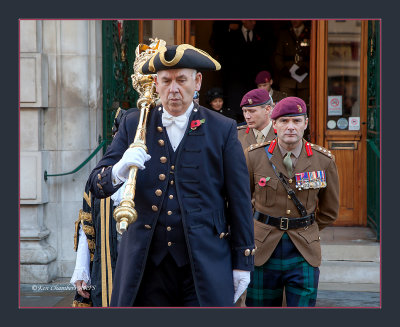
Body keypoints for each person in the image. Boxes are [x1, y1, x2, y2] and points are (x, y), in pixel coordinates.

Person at [88, 44, 255, 307]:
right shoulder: (135, 123)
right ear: (155, 83)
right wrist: (119, 169)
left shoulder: (222, 129)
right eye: (165, 81)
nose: (173, 89)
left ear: (197, 81)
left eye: (181, 80)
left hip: (203, 263)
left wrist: (243, 261)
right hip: (146, 265)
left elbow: (239, 201)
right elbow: (96, 184)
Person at [243, 97, 340, 307]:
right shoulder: (254, 157)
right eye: (284, 121)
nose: (290, 127)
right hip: (262, 247)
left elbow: (330, 211)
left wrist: (306, 228)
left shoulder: (323, 160)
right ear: (274, 124)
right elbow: (240, 202)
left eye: (296, 121)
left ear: (305, 124)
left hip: (303, 248)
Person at [70, 108, 136, 307]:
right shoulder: (100, 179)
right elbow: (87, 229)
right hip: (105, 271)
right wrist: (81, 271)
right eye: (118, 134)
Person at [274, 21, 311, 105]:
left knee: (303, 107)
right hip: (287, 78)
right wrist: (282, 69)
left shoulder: (310, 32)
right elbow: (278, 55)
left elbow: (316, 55)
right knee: (287, 106)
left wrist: (307, 68)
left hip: (304, 79)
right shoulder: (284, 33)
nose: (294, 20)